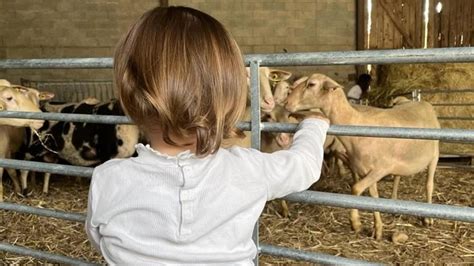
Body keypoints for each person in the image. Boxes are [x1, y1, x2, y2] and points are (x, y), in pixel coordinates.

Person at [85, 6, 329, 265]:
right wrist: (314, 125)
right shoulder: (249, 170)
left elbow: (98, 239)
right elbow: (306, 165)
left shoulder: (107, 180)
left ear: (129, 98)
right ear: (231, 97)